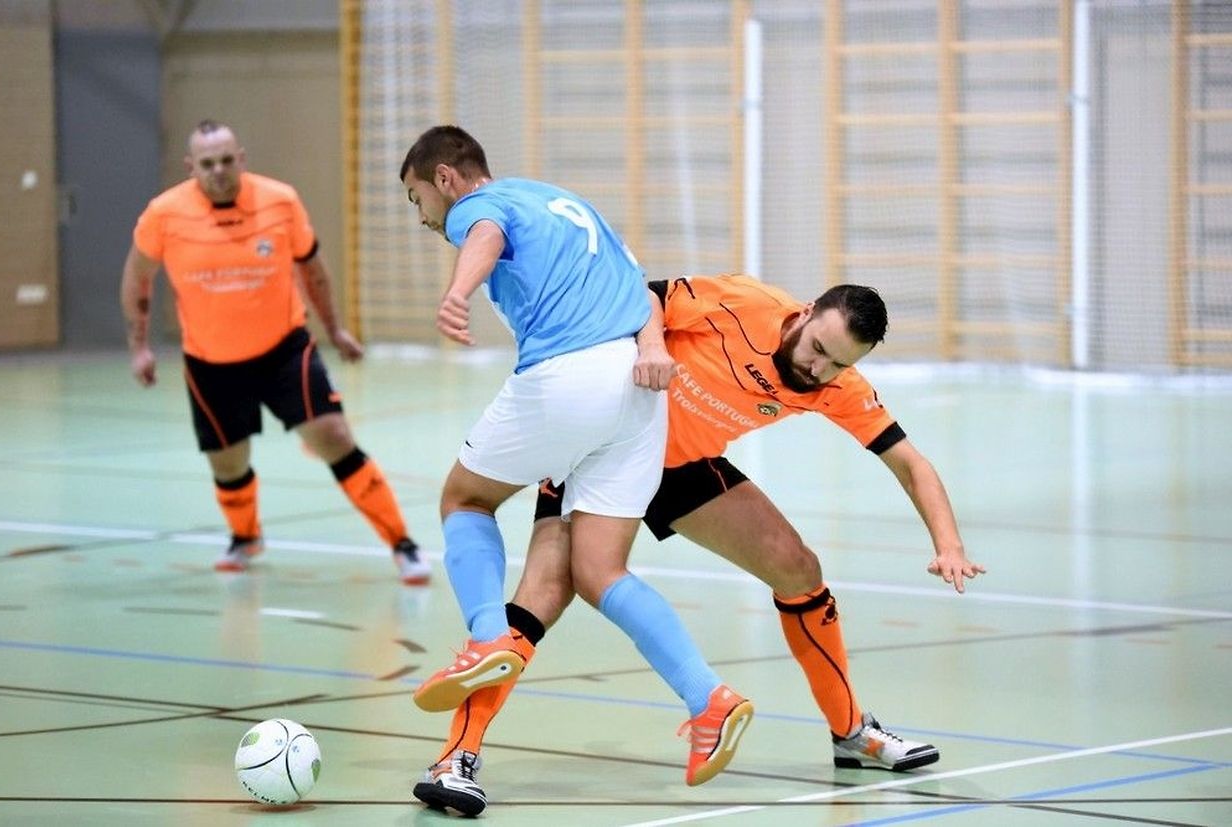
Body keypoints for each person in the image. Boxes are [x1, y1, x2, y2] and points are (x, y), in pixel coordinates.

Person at [413, 274, 988, 816]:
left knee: (798, 570)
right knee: (543, 594)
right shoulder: (743, 303)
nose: (818, 369)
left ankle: (851, 732)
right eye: (818, 348)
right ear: (806, 312)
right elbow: (647, 296)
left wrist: (949, 544)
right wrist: (653, 346)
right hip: (608, 443)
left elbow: (910, 463)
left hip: (683, 466)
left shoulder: (837, 386)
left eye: (838, 363)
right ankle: (456, 760)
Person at [398, 126, 755, 803]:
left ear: (445, 178)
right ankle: (708, 697)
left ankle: (487, 639)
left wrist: (458, 291)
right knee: (599, 570)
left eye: (419, 200)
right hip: (639, 393)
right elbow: (639, 291)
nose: (423, 217)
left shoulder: (480, 204)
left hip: (569, 378)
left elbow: (483, 236)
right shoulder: (564, 203)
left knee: (465, 499)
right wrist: (651, 347)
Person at [119, 119, 430, 585]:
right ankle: (245, 537)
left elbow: (313, 269)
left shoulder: (279, 200)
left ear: (241, 159)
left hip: (283, 350)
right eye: (208, 163)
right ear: (191, 167)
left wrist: (336, 329)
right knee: (228, 462)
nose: (219, 171)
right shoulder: (164, 214)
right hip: (209, 361)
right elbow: (138, 276)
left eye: (227, 160)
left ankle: (402, 543)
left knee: (333, 436)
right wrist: (139, 346)